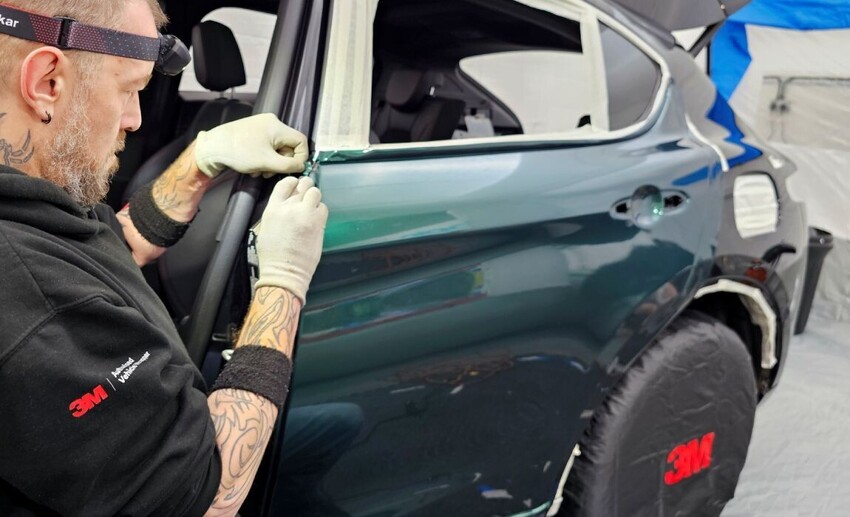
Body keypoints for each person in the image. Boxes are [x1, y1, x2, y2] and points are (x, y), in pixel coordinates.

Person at [0, 1, 327, 515]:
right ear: (46, 82)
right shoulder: (29, 306)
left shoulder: (29, 206)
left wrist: (199, 163)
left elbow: (116, 246)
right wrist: (283, 283)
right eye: (129, 89)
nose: (134, 118)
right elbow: (210, 497)